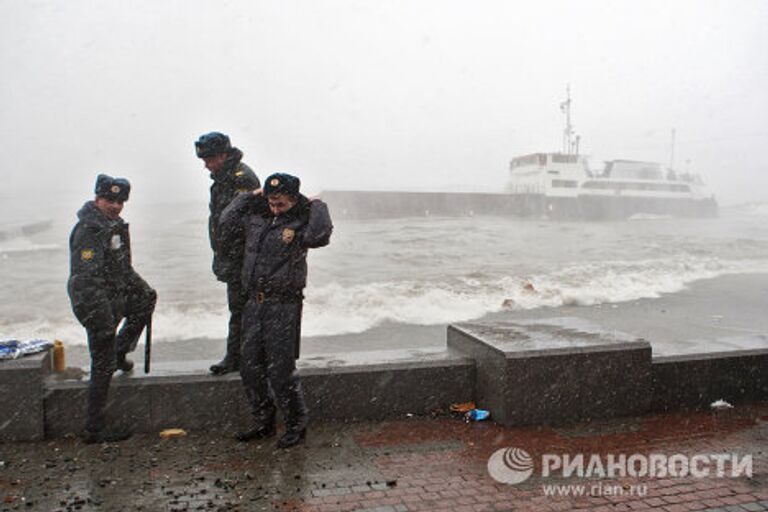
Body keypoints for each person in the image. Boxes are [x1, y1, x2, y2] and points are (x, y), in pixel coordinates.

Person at [219, 173, 332, 448]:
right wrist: (249, 196)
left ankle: (296, 424)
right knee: (250, 368)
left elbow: (320, 235)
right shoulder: (258, 218)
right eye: (271, 202)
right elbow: (225, 221)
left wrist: (318, 205)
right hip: (253, 304)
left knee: (281, 370)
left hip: (283, 306)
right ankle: (263, 422)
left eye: (280, 203)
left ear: (293, 200)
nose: (275, 208)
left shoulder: (300, 223)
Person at [67, 174, 156, 443]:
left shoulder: (114, 225)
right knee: (101, 364)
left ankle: (121, 351)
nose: (115, 206)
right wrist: (103, 319)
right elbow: (86, 279)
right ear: (98, 198)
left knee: (145, 300)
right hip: (94, 304)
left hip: (115, 297)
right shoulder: (89, 229)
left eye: (120, 201)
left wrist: (144, 289)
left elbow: (122, 268)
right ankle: (94, 428)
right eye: (110, 200)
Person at [195, 132, 260, 375]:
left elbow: (240, 221)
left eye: (209, 159)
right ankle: (243, 356)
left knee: (241, 308)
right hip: (232, 256)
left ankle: (237, 357)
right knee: (240, 308)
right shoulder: (223, 179)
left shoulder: (241, 179)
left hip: (242, 256)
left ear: (223, 155)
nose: (206, 165)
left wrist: (235, 257)